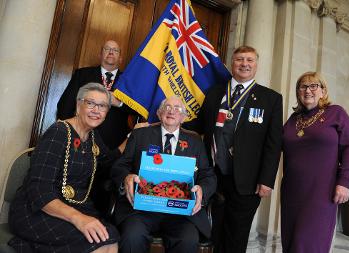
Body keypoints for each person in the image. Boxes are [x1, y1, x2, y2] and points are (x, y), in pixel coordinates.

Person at [185, 45, 283, 253]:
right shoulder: (215, 92)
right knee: (213, 230)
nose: (244, 64)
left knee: (236, 235)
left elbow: (273, 144)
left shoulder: (271, 99)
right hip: (212, 175)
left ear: (256, 65)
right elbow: (200, 124)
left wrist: (266, 180)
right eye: (239, 60)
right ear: (232, 63)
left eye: (249, 60)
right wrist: (166, 121)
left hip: (247, 180)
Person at [8, 83, 120, 253]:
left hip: (75, 205)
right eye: (90, 103)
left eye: (103, 106)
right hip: (38, 210)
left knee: (109, 236)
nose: (96, 110)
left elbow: (106, 161)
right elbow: (39, 191)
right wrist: (79, 219)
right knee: (95, 242)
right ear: (78, 105)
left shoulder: (92, 136)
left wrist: (132, 137)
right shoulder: (58, 132)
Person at [111, 96, 216, 253]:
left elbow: (208, 175)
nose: (171, 111)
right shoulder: (140, 135)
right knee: (132, 236)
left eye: (177, 109)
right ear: (159, 114)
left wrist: (203, 190)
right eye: (167, 107)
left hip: (181, 213)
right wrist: (126, 177)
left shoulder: (195, 141)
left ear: (183, 117)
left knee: (188, 240)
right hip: (141, 209)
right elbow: (120, 166)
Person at [57, 40, 138, 216]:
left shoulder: (129, 81)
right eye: (107, 49)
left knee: (104, 198)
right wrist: (74, 133)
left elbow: (139, 110)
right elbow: (64, 106)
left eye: (115, 50)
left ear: (120, 57)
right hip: (81, 145)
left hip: (114, 148)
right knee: (76, 191)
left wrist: (119, 102)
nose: (111, 52)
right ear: (100, 54)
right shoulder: (82, 74)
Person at [281, 71, 349, 253]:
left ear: (323, 91)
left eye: (314, 86)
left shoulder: (336, 113)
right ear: (298, 92)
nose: (308, 90)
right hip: (292, 192)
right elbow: (273, 146)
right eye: (303, 86)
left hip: (321, 193)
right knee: (290, 242)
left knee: (307, 244)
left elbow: (348, 148)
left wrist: (344, 182)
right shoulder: (293, 120)